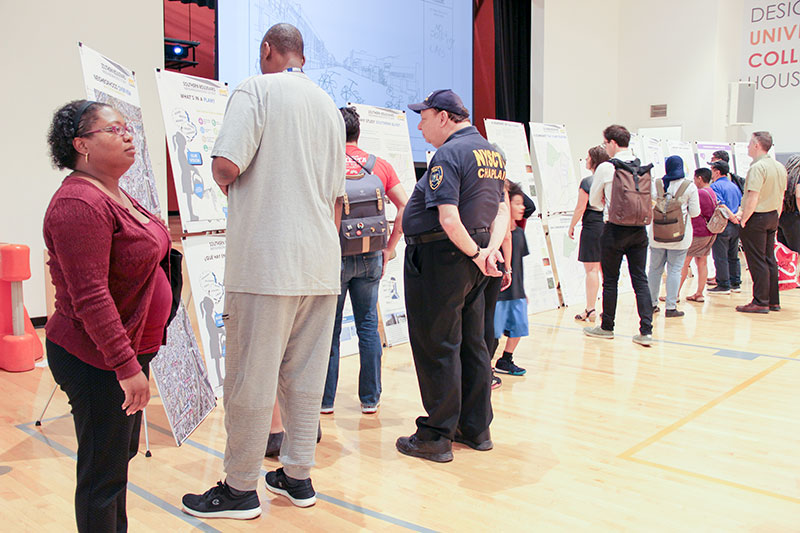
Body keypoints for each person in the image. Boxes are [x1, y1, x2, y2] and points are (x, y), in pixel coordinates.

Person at [182, 23, 345, 517]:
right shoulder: (329, 108)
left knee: (251, 379)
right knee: (305, 379)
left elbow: (227, 165)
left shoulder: (256, 89)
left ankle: (238, 489)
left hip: (267, 262)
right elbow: (337, 198)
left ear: (267, 51)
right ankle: (297, 477)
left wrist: (223, 176)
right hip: (320, 263)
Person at [44, 100, 175, 532]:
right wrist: (125, 365)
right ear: (81, 144)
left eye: (127, 127)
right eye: (114, 129)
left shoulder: (112, 190)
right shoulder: (78, 203)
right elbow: (92, 297)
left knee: (118, 459)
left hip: (127, 352)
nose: (127, 135)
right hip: (96, 358)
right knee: (104, 472)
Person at [397, 89, 509, 462]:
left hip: (442, 258)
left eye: (424, 116)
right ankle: (475, 428)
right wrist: (488, 250)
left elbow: (448, 217)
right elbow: (502, 211)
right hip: (472, 257)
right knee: (472, 343)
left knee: (437, 344)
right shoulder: (492, 152)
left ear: (444, 117)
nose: (420, 124)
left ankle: (437, 434)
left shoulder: (449, 153)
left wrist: (478, 253)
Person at [321, 106, 409, 415]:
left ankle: (325, 401)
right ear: (359, 133)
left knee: (328, 331)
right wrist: (390, 246)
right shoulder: (379, 166)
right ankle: (370, 399)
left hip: (334, 259)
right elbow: (405, 206)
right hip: (372, 254)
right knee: (368, 326)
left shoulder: (325, 164)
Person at [583, 124, 653, 346]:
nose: (606, 147)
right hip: (640, 230)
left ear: (613, 143)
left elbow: (594, 201)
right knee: (640, 279)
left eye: (606, 143)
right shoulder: (641, 165)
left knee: (610, 280)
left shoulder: (606, 168)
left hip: (614, 229)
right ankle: (646, 330)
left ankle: (607, 327)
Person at [736, 131, 788, 313]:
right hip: (773, 215)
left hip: (756, 217)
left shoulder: (757, 168)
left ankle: (760, 301)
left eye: (749, 143)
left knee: (757, 260)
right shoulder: (779, 167)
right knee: (769, 259)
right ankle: (773, 301)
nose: (747, 146)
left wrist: (744, 219)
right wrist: (776, 216)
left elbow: (753, 196)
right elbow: (782, 195)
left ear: (757, 145)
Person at [649, 155, 700, 318]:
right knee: (675, 270)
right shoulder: (689, 187)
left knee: (654, 270)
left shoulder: (656, 184)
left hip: (657, 235)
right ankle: (671, 307)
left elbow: (649, 201)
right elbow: (695, 212)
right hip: (680, 237)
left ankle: (651, 304)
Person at [568, 145, 610, 322]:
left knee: (591, 269)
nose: (585, 160)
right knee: (605, 271)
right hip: (608, 225)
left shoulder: (588, 181)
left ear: (594, 160)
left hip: (592, 225)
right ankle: (606, 309)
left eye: (587, 157)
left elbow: (580, 207)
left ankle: (590, 309)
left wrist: (571, 226)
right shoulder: (610, 180)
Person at [493, 181, 530, 376]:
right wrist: (506, 190)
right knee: (493, 334)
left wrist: (523, 292)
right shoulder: (498, 234)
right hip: (499, 292)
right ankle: (486, 367)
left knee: (518, 328)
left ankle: (505, 360)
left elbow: (519, 267)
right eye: (517, 203)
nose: (522, 207)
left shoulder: (520, 234)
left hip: (516, 291)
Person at [679, 168, 718, 303]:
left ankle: (675, 294)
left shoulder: (700, 193)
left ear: (699, 178)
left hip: (698, 232)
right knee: (702, 262)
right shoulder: (711, 191)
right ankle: (699, 293)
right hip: (709, 232)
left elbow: (692, 210)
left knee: (684, 262)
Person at [707, 160, 743, 295]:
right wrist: (736, 217)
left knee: (721, 255)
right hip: (735, 226)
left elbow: (721, 205)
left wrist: (731, 217)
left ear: (717, 171)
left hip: (723, 224)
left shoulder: (715, 186)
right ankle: (735, 283)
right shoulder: (734, 186)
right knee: (733, 255)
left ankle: (723, 284)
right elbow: (741, 204)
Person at [777, 155, 800, 253]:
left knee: (785, 252)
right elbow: (799, 195)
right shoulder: (797, 177)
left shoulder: (783, 177)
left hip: (782, 216)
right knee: (796, 252)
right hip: (794, 217)